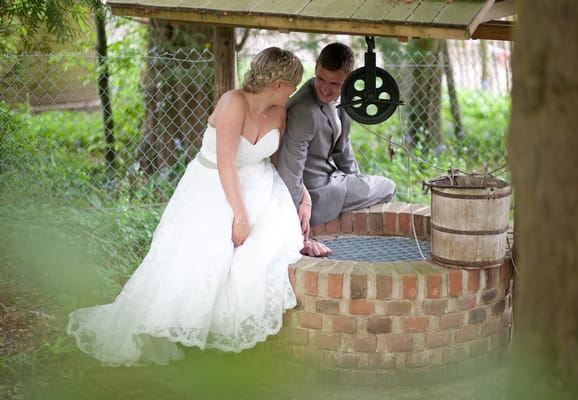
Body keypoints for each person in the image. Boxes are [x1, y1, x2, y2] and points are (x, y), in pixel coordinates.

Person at [67, 47, 305, 366]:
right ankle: (175, 326)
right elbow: (225, 163)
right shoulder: (233, 102)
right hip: (213, 186)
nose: (294, 91)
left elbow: (275, 159)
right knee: (200, 257)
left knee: (263, 255)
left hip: (261, 185)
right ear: (278, 83)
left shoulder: (280, 112)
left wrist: (302, 193)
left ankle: (235, 330)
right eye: (293, 84)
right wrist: (240, 216)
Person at [277, 43, 396, 257]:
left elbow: (343, 149)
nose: (324, 88)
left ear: (349, 80)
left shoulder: (344, 100)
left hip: (334, 177)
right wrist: (296, 226)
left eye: (334, 83)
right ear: (315, 68)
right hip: (318, 192)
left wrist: (356, 179)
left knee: (369, 184)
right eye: (320, 79)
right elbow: (291, 169)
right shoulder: (303, 111)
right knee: (388, 186)